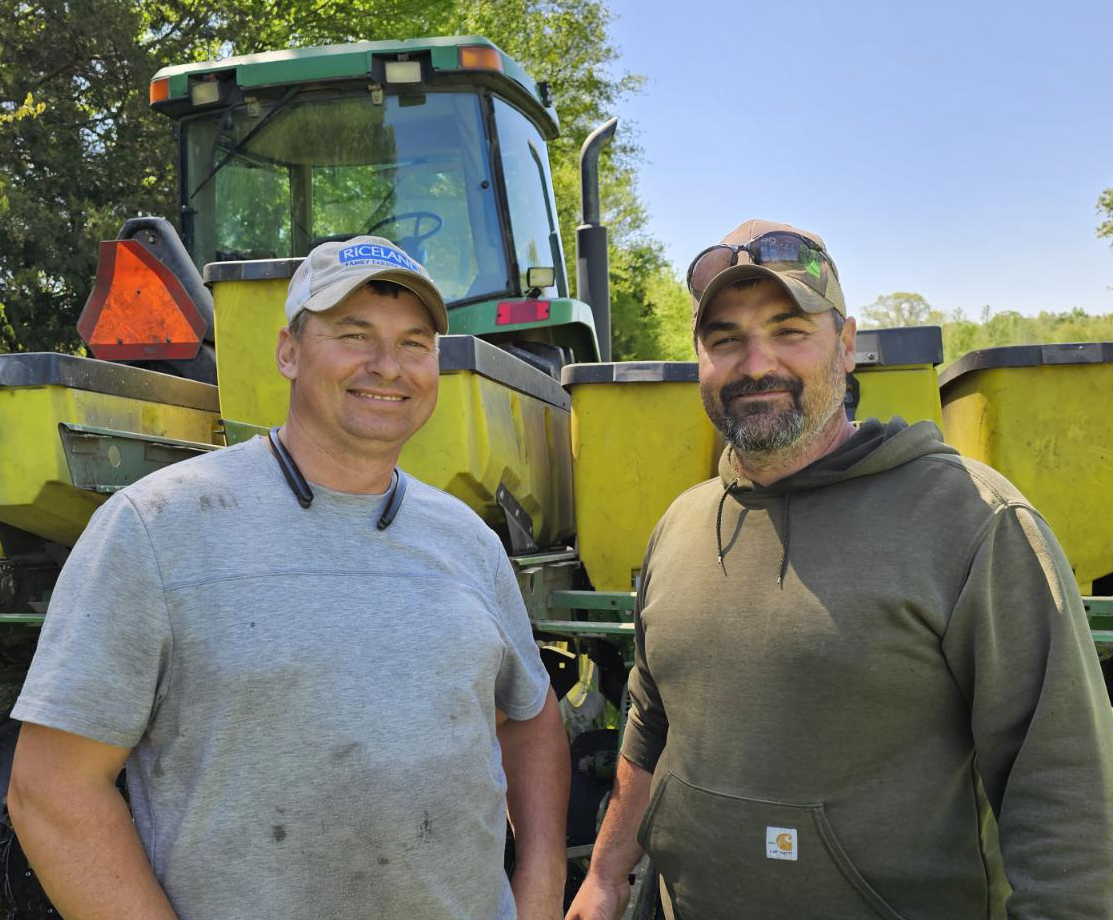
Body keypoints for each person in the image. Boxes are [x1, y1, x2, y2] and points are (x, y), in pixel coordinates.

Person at [8, 236, 569, 920]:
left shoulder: (467, 540)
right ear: (288, 352)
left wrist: (539, 886)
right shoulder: (158, 526)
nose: (387, 366)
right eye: (353, 334)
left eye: (414, 343)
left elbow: (531, 714)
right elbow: (52, 791)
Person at [567, 219, 1113, 920]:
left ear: (846, 346)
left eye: (788, 330)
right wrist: (608, 875)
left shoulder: (971, 521)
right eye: (724, 339)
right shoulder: (680, 526)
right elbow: (649, 721)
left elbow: (1064, 786)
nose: (755, 362)